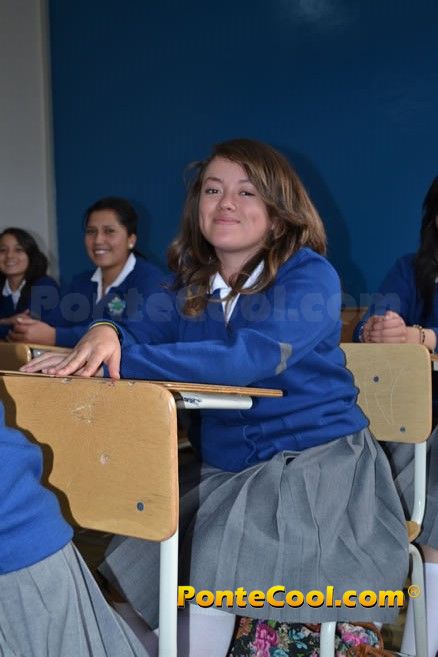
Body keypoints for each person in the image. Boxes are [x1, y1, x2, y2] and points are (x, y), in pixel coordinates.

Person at [23, 139, 409, 654]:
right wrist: (103, 331)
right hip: (228, 469)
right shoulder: (188, 285)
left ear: (279, 214)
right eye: (212, 190)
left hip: (314, 465)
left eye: (247, 192)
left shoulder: (309, 275)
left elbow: (249, 359)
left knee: (210, 565)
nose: (226, 202)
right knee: (142, 552)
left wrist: (119, 357)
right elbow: (133, 331)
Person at [354, 175, 438, 657]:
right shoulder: (411, 269)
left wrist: (424, 338)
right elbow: (375, 321)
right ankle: (356, 636)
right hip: (406, 422)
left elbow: (421, 337)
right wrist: (378, 329)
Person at [8, 196, 164, 347]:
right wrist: (24, 327)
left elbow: (135, 335)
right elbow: (50, 323)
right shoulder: (81, 283)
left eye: (109, 231)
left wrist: (56, 337)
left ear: (131, 240)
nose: (98, 240)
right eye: (91, 231)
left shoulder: (150, 280)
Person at [0, 228, 59, 340]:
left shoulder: (45, 286)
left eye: (18, 250)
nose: (9, 256)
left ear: (31, 255)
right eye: (3, 250)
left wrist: (5, 324)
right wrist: (7, 321)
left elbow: (26, 331)